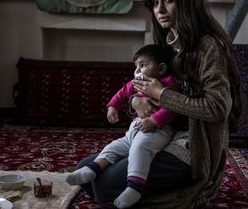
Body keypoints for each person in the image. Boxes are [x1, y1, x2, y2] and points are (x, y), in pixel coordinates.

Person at [75, 0, 243, 208]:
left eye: (168, 0)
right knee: (85, 169)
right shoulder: (166, 47)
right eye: (155, 3)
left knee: (104, 186)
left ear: (187, 2)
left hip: (188, 147)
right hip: (160, 135)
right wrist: (135, 102)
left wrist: (162, 95)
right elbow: (146, 92)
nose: (160, 9)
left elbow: (217, 109)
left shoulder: (209, 47)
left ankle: (184, 191)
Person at [67, 44, 180, 208]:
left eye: (143, 65)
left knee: (139, 149)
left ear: (161, 69)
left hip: (158, 130)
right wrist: (112, 107)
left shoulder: (168, 83)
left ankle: (134, 187)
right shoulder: (137, 82)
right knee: (114, 146)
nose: (137, 71)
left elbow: (171, 110)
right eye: (135, 66)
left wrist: (154, 121)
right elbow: (122, 93)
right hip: (135, 129)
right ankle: (93, 168)